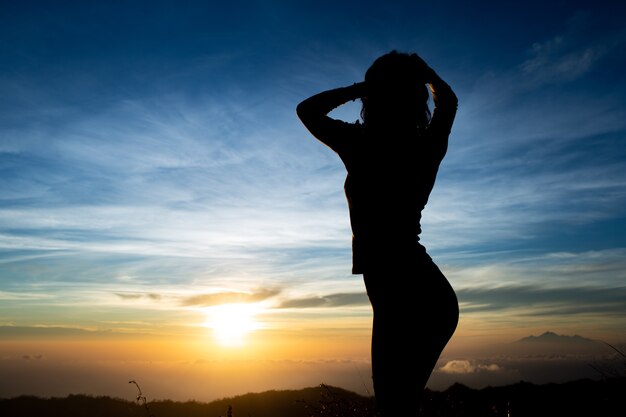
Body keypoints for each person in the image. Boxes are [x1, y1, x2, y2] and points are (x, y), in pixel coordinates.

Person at [296, 51, 459, 416]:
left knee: (393, 407)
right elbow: (448, 101)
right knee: (398, 405)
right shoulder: (426, 143)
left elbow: (307, 110)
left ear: (375, 96)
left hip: (405, 290)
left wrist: (363, 87)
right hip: (422, 293)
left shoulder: (362, 144)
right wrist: (425, 73)